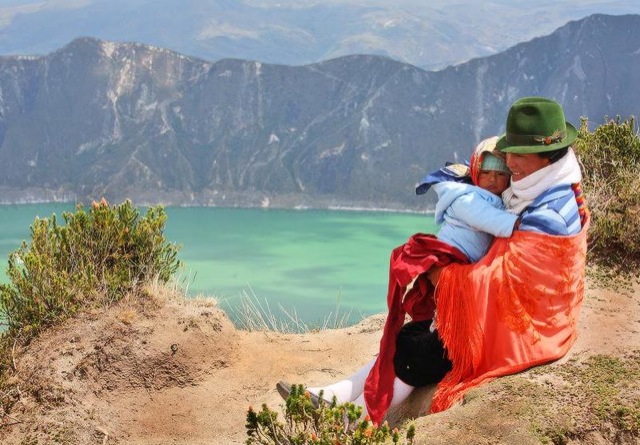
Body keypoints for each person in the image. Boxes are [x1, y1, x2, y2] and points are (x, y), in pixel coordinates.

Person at [278, 97, 589, 426]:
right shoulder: (543, 191)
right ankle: (333, 398)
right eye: (508, 151)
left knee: (414, 354)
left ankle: (356, 421)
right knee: (409, 336)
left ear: (548, 155)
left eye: (518, 154)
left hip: (525, 334)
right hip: (525, 321)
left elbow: (509, 289)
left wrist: (443, 275)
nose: (509, 162)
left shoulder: (549, 214)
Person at [276, 135, 519, 414]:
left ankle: (341, 406)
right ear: (475, 172)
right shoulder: (473, 200)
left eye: (501, 174)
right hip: (457, 297)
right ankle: (342, 404)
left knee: (410, 351)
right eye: (485, 172)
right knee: (409, 349)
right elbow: (496, 224)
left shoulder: (481, 198)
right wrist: (521, 221)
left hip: (460, 310)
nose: (492, 179)